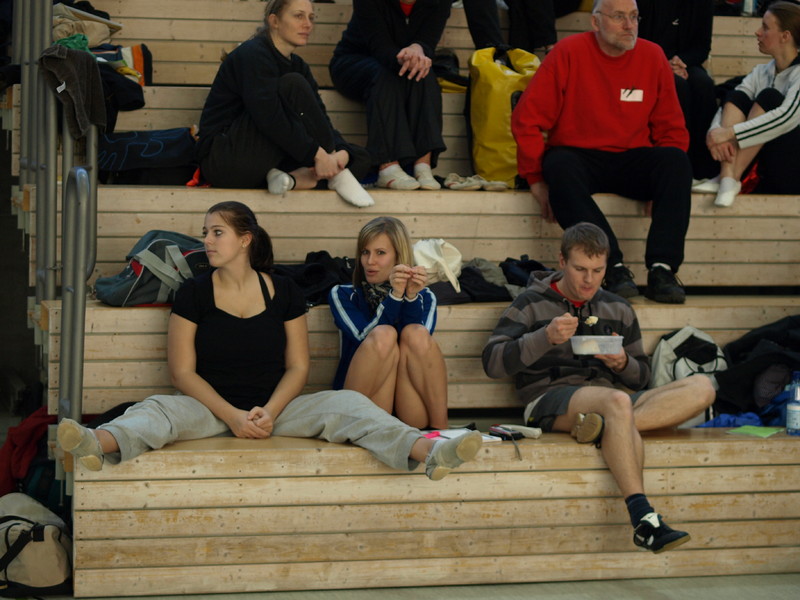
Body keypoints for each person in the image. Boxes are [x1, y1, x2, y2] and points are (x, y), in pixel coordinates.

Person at [57, 201, 482, 481]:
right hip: (210, 408)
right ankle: (96, 443)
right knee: (158, 410)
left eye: (217, 232)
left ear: (245, 240)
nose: (206, 241)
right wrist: (233, 417)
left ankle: (430, 453)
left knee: (350, 407)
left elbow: (298, 367)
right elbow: (181, 372)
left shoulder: (284, 290)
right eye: (206, 232)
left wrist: (269, 413)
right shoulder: (193, 292)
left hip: (279, 409)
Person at [482, 222, 716, 553]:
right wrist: (544, 337)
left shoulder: (618, 307)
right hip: (547, 399)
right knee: (618, 402)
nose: (589, 280)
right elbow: (492, 363)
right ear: (562, 261)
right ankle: (643, 518)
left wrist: (622, 363)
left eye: (598, 270)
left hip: (608, 399)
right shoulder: (530, 302)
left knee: (703, 387)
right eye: (580, 269)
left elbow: (641, 377)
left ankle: (605, 427)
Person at [511, 0, 692, 305]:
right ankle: (613, 266)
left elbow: (671, 128)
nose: (629, 25)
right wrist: (535, 178)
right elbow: (526, 120)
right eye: (619, 17)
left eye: (634, 16)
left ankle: (662, 269)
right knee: (557, 164)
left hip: (633, 158)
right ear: (595, 22)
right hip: (579, 157)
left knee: (675, 161)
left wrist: (660, 189)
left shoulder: (652, 55)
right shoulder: (567, 52)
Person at [194, 0, 375, 208]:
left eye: (311, 18)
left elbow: (319, 121)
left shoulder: (299, 65)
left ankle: (292, 180)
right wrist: (319, 155)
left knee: (361, 157)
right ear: (274, 21)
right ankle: (332, 174)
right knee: (292, 84)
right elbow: (269, 118)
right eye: (298, 16)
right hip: (227, 160)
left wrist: (339, 152)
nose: (308, 24)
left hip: (269, 154)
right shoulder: (252, 54)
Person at [328, 217, 448, 430]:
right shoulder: (344, 294)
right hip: (362, 405)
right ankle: (345, 427)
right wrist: (394, 296)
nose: (370, 261)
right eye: (365, 252)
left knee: (416, 333)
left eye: (380, 253)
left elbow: (419, 347)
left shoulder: (425, 296)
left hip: (408, 406)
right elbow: (363, 337)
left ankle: (443, 432)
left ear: (399, 257)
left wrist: (410, 297)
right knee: (384, 334)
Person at [329, 0, 451, 191]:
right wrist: (409, 57)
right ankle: (387, 165)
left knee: (426, 74)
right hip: (354, 61)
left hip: (400, 66)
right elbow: (380, 46)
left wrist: (418, 49)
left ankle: (422, 165)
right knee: (387, 75)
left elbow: (428, 40)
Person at [699, 1, 800, 207]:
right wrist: (715, 133)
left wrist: (728, 134)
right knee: (737, 96)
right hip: (763, 163)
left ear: (785, 36)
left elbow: (787, 117)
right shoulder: (762, 71)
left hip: (793, 169)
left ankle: (728, 178)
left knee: (769, 98)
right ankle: (727, 178)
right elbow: (733, 100)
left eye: (765, 27)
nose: (757, 32)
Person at [638, 0, 719, 181]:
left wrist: (680, 62)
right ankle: (681, 164)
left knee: (703, 85)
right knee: (678, 86)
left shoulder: (702, 3)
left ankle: (706, 169)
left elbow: (702, 47)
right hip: (649, 61)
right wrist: (664, 65)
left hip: (684, 62)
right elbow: (638, 39)